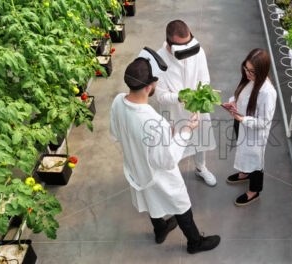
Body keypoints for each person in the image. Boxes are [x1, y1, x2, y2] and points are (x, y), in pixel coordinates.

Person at [110, 48, 220, 253]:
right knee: (181, 203)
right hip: (159, 175)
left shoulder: (118, 101)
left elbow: (116, 134)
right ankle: (194, 243)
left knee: (150, 198)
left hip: (136, 167)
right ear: (149, 87)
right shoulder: (153, 122)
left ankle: (160, 229)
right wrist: (186, 130)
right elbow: (168, 160)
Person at [155, 20, 218, 186]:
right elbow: (160, 96)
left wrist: (203, 93)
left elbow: (204, 79)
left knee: (200, 136)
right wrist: (180, 97)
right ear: (169, 44)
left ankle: (200, 168)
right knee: (174, 144)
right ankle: (172, 175)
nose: (187, 52)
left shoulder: (196, 51)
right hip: (173, 110)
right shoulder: (159, 59)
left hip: (196, 106)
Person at [222, 49, 277, 207]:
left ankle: (254, 190)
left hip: (253, 132)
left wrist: (242, 118)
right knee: (243, 152)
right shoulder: (250, 80)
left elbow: (263, 122)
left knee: (255, 160)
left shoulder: (268, 93)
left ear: (261, 70)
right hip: (241, 122)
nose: (247, 73)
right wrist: (233, 103)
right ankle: (245, 173)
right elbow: (242, 96)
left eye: (251, 71)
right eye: (245, 68)